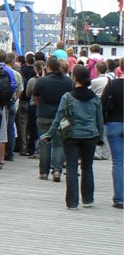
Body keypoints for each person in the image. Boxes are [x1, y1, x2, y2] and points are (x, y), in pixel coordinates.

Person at [41, 64, 104, 210]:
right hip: (90, 136)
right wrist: (100, 137)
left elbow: (58, 117)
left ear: (74, 78)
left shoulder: (68, 97)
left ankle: (72, 202)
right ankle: (88, 199)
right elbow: (99, 120)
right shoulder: (94, 98)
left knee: (71, 167)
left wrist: (49, 134)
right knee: (87, 167)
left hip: (71, 136)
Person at [32, 55, 72, 182]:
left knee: (44, 144)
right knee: (59, 144)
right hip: (60, 117)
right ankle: (57, 170)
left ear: (47, 67)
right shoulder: (67, 81)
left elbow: (35, 94)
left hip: (44, 115)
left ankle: (44, 172)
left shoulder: (42, 81)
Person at [101, 71, 123, 208]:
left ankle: (120, 198)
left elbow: (102, 105)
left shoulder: (112, 85)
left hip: (114, 123)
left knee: (118, 162)